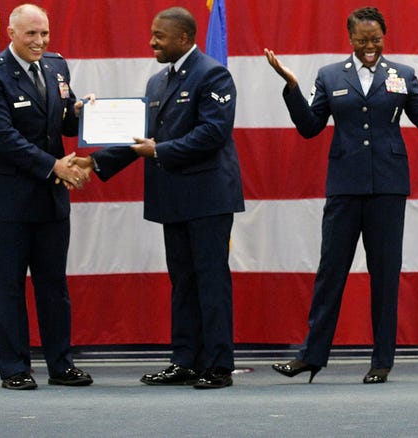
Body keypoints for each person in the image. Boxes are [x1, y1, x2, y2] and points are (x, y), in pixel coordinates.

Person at [264, 6, 418, 384]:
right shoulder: (330, 75)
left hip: (387, 186)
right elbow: (310, 127)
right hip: (344, 187)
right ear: (349, 38)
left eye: (376, 39)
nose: (370, 46)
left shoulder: (403, 74)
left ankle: (381, 361)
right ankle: (311, 356)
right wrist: (291, 87)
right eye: (362, 39)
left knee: (385, 275)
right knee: (330, 272)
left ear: (385, 36)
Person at [72, 7, 244, 389]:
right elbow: (140, 137)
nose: (152, 41)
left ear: (183, 38)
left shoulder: (213, 73)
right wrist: (94, 162)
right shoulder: (156, 82)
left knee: (210, 282)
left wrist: (161, 151)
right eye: (152, 34)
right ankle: (184, 360)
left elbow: (213, 133)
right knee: (182, 281)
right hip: (173, 198)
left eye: (159, 36)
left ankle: (218, 365)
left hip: (208, 197)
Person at [0, 3, 93, 390]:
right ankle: (14, 368)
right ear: (10, 34)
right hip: (7, 200)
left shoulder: (56, 66)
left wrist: (82, 112)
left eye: (44, 33)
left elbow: (63, 120)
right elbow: (2, 139)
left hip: (50, 199)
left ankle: (61, 365)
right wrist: (55, 166)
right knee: (10, 286)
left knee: (53, 284)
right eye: (31, 34)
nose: (39, 41)